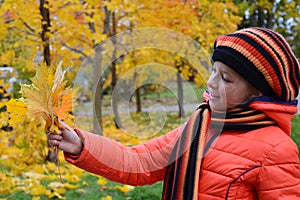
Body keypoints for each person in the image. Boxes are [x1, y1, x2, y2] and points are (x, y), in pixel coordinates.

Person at [48, 27, 300, 199]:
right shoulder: (200, 124)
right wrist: (81, 145)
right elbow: (139, 162)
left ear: (257, 92)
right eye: (213, 70)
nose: (211, 82)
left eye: (225, 78)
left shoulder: (277, 151)